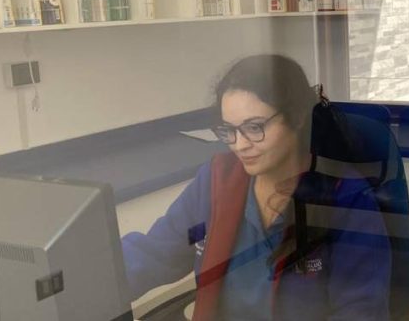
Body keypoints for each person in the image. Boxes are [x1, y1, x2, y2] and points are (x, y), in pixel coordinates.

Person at [122, 55, 392, 321]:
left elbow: (360, 311)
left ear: (297, 118)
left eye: (254, 127)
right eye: (228, 130)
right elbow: (156, 253)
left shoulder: (346, 199)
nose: (240, 145)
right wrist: (100, 276)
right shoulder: (216, 181)